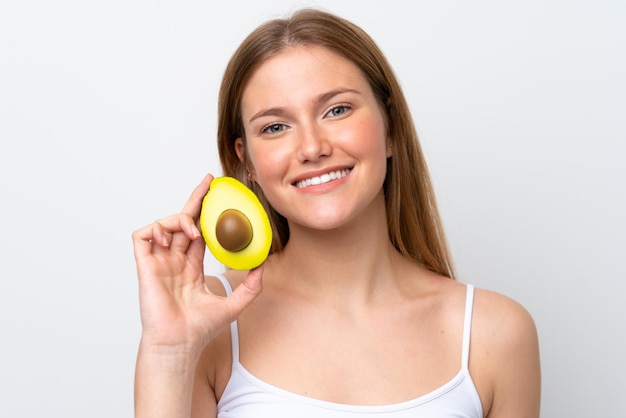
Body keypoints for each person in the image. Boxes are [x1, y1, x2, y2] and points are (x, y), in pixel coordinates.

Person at [132, 8, 541, 418]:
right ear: (248, 164)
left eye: (337, 110)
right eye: (275, 127)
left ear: (391, 129)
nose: (312, 148)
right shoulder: (208, 320)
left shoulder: (494, 335)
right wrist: (168, 352)